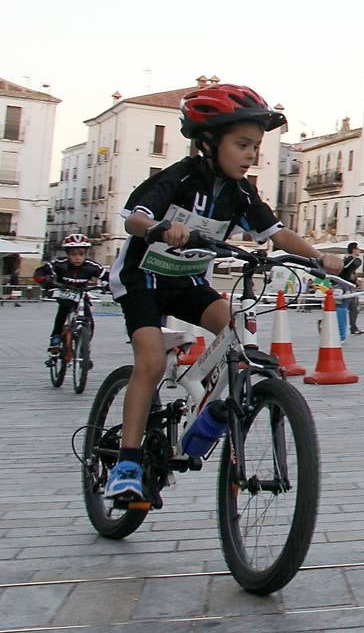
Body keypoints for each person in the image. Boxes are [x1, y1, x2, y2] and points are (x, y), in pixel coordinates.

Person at [101, 84, 344, 503]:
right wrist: (160, 228)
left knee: (236, 331)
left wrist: (319, 258)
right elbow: (134, 219)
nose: (252, 154)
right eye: (242, 144)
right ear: (208, 143)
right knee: (151, 360)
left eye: (256, 146)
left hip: (189, 283)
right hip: (144, 281)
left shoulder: (242, 192)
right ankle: (126, 463)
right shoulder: (174, 178)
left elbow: (277, 233)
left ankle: (211, 408)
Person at [34, 233, 107, 356]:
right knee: (63, 311)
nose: (77, 258)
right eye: (73, 254)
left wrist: (110, 285)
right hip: (65, 294)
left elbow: (107, 276)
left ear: (86, 254)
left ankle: (84, 349)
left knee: (90, 321)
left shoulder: (91, 266)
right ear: (67, 254)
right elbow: (41, 271)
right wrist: (44, 279)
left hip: (81, 295)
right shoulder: (59, 263)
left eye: (81, 254)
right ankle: (55, 339)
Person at [339, 242, 364, 335]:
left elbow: (349, 273)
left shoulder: (348, 260)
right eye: (358, 249)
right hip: (346, 286)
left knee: (352, 308)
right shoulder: (351, 260)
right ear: (354, 250)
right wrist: (354, 280)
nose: (359, 250)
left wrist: (355, 280)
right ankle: (351, 328)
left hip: (347, 285)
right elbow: (347, 273)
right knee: (346, 307)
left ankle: (353, 327)